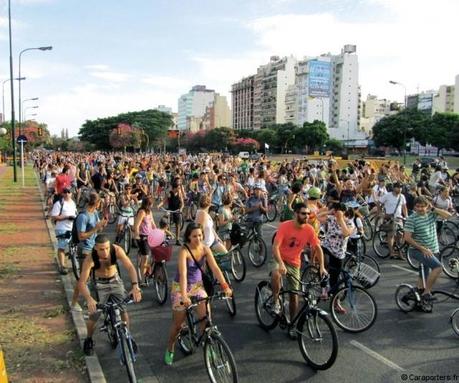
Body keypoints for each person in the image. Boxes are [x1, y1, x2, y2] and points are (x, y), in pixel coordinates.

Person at [164, 223, 232, 365]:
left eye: (200, 235)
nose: (198, 238)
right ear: (188, 236)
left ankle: (209, 345)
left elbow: (215, 268)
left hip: (197, 286)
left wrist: (225, 285)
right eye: (194, 236)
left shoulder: (205, 249)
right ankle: (170, 347)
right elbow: (183, 275)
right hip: (180, 288)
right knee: (177, 325)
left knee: (205, 319)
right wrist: (183, 295)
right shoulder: (184, 251)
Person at [78, 234, 142, 355]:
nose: (105, 252)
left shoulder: (117, 250)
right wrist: (89, 298)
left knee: (123, 309)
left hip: (115, 280)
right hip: (99, 284)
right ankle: (89, 339)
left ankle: (128, 337)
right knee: (94, 316)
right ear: (96, 248)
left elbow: (130, 267)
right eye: (102, 249)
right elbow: (81, 282)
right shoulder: (90, 259)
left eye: (107, 248)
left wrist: (135, 286)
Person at [271, 203, 326, 339]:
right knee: (276, 273)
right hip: (280, 259)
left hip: (295, 263)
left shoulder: (309, 229)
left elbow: (317, 248)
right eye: (303, 214)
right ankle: (275, 300)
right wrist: (281, 264)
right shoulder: (285, 226)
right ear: (296, 214)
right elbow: (275, 247)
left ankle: (292, 324)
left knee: (294, 296)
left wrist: (322, 267)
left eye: (308, 214)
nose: (306, 216)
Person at [404, 196, 452, 312]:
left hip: (432, 250)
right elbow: (407, 238)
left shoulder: (432, 215)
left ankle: (417, 295)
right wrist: (422, 249)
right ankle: (426, 293)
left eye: (422, 206)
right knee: (438, 267)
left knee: (424, 275)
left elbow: (448, 216)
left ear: (427, 206)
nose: (420, 209)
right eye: (417, 206)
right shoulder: (412, 219)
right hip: (418, 251)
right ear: (414, 207)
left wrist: (434, 209)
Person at [71, 192, 108, 310]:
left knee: (95, 275)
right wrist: (96, 228)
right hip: (85, 249)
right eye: (99, 203)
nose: (100, 205)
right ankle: (74, 303)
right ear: (95, 203)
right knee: (84, 278)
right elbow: (81, 236)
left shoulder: (95, 213)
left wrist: (102, 224)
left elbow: (98, 229)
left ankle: (94, 300)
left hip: (94, 247)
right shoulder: (83, 216)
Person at [320, 202, 354, 313]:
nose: (336, 214)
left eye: (339, 211)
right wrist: (329, 212)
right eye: (336, 211)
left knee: (335, 279)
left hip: (339, 254)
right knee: (324, 269)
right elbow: (316, 216)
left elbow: (346, 233)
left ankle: (336, 303)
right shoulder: (330, 218)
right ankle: (324, 289)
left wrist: (340, 220)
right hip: (326, 247)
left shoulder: (349, 223)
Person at [50, 187, 77, 275]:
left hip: (72, 228)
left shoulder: (73, 203)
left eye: (69, 192)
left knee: (73, 246)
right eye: (65, 192)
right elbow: (54, 216)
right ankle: (62, 266)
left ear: (71, 193)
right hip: (62, 228)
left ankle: (73, 261)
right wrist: (66, 217)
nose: (67, 194)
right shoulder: (59, 204)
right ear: (62, 193)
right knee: (62, 247)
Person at [378, 182, 408, 260]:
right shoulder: (387, 195)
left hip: (399, 218)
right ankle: (391, 252)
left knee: (400, 236)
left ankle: (399, 252)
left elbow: (404, 207)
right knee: (391, 235)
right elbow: (379, 202)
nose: (400, 189)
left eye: (401, 187)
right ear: (394, 188)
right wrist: (380, 212)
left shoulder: (402, 196)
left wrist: (406, 216)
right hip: (390, 218)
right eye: (398, 187)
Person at [133, 196, 156, 283]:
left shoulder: (150, 212)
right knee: (145, 257)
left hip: (150, 236)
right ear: (147, 204)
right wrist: (137, 235)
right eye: (151, 204)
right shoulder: (142, 212)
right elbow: (136, 225)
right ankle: (142, 279)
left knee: (156, 253)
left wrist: (158, 233)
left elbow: (153, 224)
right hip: (143, 237)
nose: (152, 205)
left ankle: (149, 270)